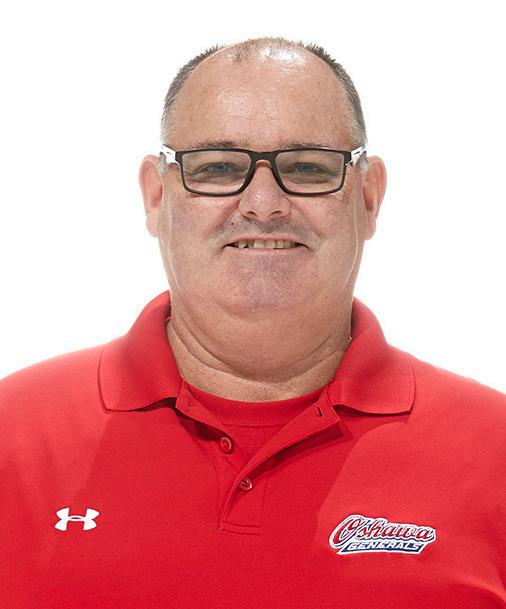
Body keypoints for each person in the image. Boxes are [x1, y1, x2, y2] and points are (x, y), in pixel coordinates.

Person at [1, 36, 505, 609]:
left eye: (307, 167)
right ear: (156, 196)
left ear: (368, 198)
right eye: (217, 167)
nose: (263, 203)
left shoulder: (494, 451)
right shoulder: (13, 435)